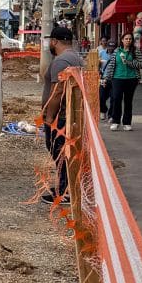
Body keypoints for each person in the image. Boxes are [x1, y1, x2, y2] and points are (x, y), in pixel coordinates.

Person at [41, 27, 83, 204]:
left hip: (60, 116)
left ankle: (65, 192)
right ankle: (64, 187)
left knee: (59, 152)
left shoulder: (61, 61)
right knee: (65, 152)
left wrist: (49, 117)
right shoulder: (76, 57)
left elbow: (57, 92)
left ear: (54, 41)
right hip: (70, 114)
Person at [103, 31, 141, 131]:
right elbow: (111, 65)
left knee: (128, 101)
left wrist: (128, 62)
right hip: (117, 78)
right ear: (122, 40)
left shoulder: (135, 51)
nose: (128, 40)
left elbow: (140, 65)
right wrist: (107, 78)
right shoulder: (117, 51)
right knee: (116, 99)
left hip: (131, 79)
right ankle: (116, 121)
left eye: (130, 39)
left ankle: (127, 123)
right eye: (126, 39)